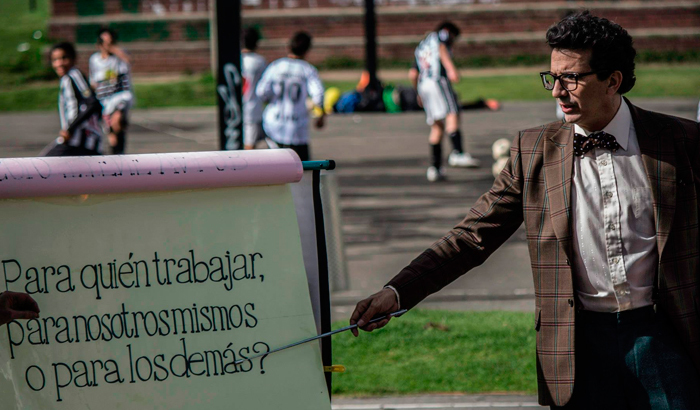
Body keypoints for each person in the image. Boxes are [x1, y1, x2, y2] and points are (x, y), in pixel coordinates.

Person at [350, 11, 700, 409]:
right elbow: (472, 236)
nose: (557, 92)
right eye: (552, 77)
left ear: (613, 80)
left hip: (666, 338)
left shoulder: (681, 141)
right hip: (577, 349)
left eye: (571, 78)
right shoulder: (533, 151)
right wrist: (397, 292)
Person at [412, 21, 480, 182]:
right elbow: (442, 47)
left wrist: (418, 93)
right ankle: (458, 153)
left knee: (437, 126)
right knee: (452, 112)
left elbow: (412, 74)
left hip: (424, 85)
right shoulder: (440, 36)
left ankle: (434, 168)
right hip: (438, 81)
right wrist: (450, 69)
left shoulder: (421, 46)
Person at [256, 31, 324, 161]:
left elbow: (261, 91)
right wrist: (321, 115)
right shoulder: (308, 69)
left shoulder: (276, 66)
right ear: (307, 50)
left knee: (275, 165)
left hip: (274, 122)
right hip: (297, 126)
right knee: (301, 166)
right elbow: (318, 96)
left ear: (289, 47)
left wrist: (270, 100)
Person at [47, 42, 103, 156]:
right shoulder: (66, 79)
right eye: (55, 60)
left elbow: (92, 103)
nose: (59, 63)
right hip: (75, 140)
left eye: (64, 58)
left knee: (43, 164)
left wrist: (70, 129)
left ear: (73, 59)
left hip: (82, 140)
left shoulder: (74, 74)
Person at [89, 28, 133, 155]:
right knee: (111, 133)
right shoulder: (95, 60)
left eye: (110, 41)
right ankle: (117, 155)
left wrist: (114, 49)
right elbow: (93, 81)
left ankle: (119, 151)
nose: (107, 45)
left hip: (119, 97)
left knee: (117, 121)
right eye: (104, 42)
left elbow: (129, 61)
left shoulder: (118, 57)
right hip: (104, 99)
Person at [241, 27, 268, 150]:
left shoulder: (236, 60)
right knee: (250, 145)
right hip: (252, 108)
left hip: (238, 107)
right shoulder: (259, 61)